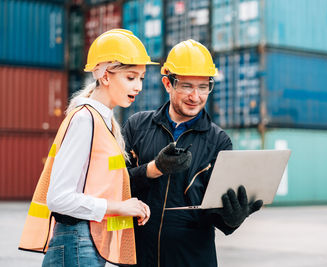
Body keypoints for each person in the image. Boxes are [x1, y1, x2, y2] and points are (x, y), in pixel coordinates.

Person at [19, 29, 157, 266]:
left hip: (87, 242)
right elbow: (59, 198)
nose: (139, 87)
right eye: (131, 77)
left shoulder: (105, 123)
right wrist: (120, 207)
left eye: (141, 78)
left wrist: (129, 207)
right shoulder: (85, 119)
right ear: (105, 76)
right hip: (77, 242)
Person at [122, 39, 263, 267]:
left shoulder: (218, 141)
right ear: (168, 83)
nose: (195, 97)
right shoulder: (136, 126)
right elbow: (113, 186)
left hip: (191, 260)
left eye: (203, 87)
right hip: (138, 259)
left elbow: (216, 215)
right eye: (187, 86)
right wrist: (152, 170)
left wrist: (233, 218)